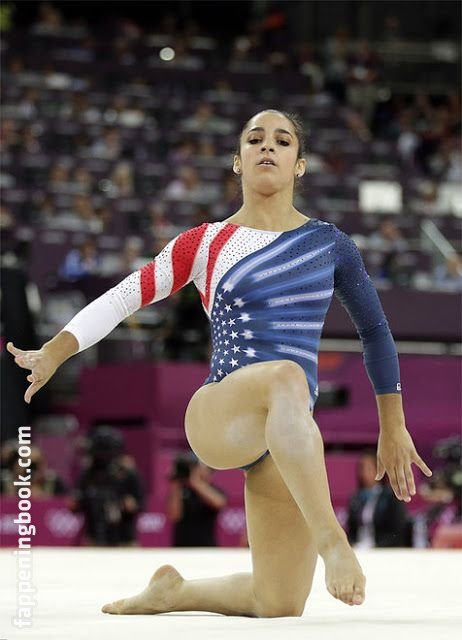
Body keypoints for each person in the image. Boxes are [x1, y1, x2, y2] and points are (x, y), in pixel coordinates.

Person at [8, 109, 432, 618]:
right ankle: (333, 541)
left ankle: (174, 593)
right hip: (220, 415)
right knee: (286, 375)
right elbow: (124, 297)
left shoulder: (331, 246)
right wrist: (55, 350)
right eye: (255, 139)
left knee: (278, 602)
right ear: (237, 160)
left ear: (300, 165)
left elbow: (376, 332)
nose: (268, 146)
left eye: (283, 141)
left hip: (285, 435)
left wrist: (393, 424)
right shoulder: (206, 242)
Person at [346, 449, 410, 548]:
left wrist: (375, 546)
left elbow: (398, 531)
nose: (364, 473)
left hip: (383, 549)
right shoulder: (356, 498)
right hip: (359, 548)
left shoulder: (391, 497)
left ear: (379, 470)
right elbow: (351, 530)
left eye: (369, 468)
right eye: (362, 468)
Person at [167, 451, 227, 547]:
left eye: (196, 467)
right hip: (181, 548)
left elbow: (219, 503)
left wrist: (195, 482)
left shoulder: (213, 489)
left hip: (206, 547)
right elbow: (175, 516)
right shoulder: (180, 490)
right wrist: (176, 484)